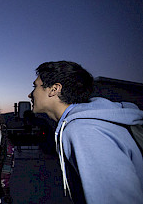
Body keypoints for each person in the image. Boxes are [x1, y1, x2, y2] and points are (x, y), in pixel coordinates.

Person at [28, 60, 143, 203]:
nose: (30, 94)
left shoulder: (83, 130)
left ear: (54, 89)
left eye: (35, 86)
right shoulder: (85, 123)